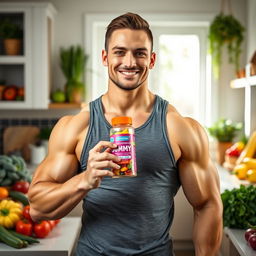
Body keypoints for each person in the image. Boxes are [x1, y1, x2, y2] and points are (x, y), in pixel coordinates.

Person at [28, 12, 223, 256]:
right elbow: (37, 208)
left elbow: (207, 204)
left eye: (139, 53)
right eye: (119, 52)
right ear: (105, 57)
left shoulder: (179, 127)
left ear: (151, 60)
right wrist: (84, 180)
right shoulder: (77, 126)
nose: (129, 62)